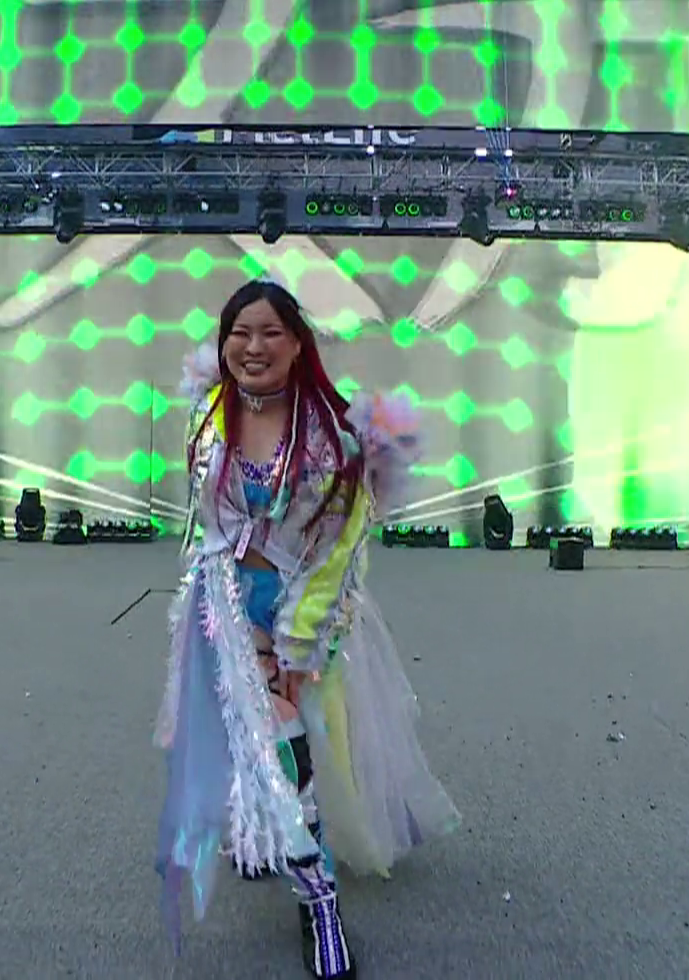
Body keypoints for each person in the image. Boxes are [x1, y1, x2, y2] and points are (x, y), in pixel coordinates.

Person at [154, 278, 460, 979]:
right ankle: (260, 836)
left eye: (269, 332)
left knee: (292, 752)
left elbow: (337, 551)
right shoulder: (207, 413)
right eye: (239, 333)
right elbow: (210, 522)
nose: (252, 347)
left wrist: (291, 644)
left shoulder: (332, 434)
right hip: (221, 606)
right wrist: (226, 613)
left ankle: (319, 901)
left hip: (302, 612)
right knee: (234, 736)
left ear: (297, 343)